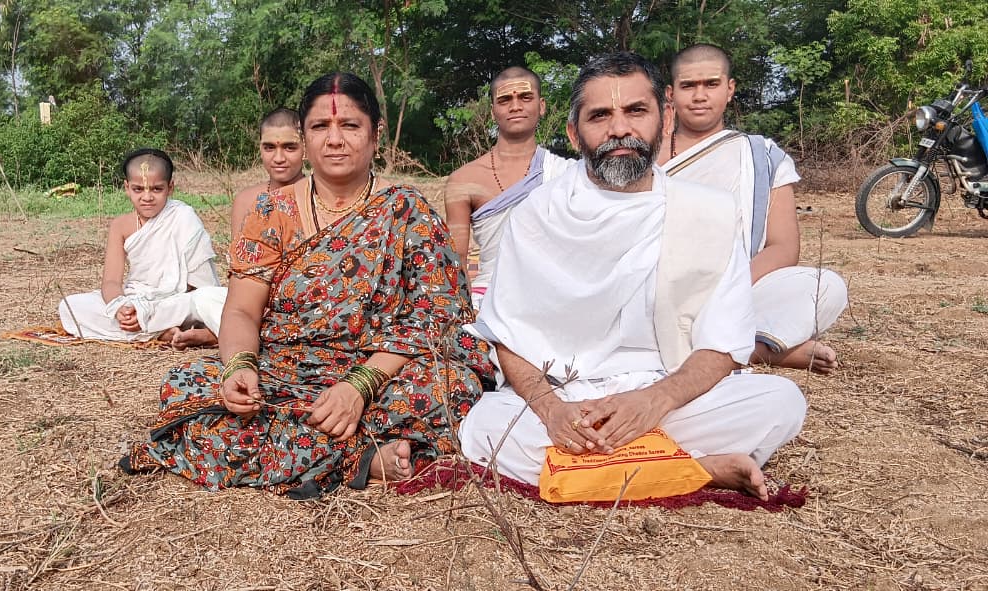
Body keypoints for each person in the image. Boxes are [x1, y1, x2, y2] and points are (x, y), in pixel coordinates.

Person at [119, 72, 490, 499]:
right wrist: (240, 368)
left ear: (376, 135)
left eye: (350, 126)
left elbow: (438, 313)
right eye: (320, 127)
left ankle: (327, 448)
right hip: (287, 368)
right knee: (187, 381)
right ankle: (368, 456)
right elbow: (241, 311)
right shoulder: (271, 211)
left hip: (384, 367)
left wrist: (359, 386)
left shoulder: (409, 210)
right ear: (306, 136)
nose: (335, 139)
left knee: (452, 382)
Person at [459, 53, 806, 501]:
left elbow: (722, 346)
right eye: (600, 115)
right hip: (568, 400)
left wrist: (653, 401)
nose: (619, 129)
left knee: (780, 403)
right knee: (485, 429)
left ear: (664, 119)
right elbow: (508, 337)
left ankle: (607, 472)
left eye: (635, 111)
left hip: (666, 395)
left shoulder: (710, 212)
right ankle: (694, 470)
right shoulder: (536, 214)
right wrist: (552, 412)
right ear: (573, 132)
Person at [659, 44, 847, 374]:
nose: (700, 96)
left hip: (738, 289)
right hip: (662, 290)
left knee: (826, 287)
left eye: (711, 84)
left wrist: (728, 289)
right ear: (671, 94)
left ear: (729, 90)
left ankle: (746, 348)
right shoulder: (645, 154)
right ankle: (764, 351)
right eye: (689, 86)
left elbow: (784, 247)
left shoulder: (761, 156)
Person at [58, 148, 225, 348]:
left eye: (156, 189)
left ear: (170, 187)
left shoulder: (184, 217)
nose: (147, 197)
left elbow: (201, 285)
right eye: (138, 189)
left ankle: (169, 328)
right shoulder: (120, 226)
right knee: (70, 306)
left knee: (214, 298)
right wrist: (120, 306)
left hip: (176, 302)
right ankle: (163, 332)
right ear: (126, 187)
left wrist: (155, 309)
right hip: (136, 299)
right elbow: (111, 281)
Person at [444, 66, 573, 308]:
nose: (515, 106)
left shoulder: (567, 173)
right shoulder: (463, 181)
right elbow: (456, 261)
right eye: (505, 99)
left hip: (556, 295)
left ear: (541, 105)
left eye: (525, 97)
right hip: (489, 298)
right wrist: (463, 318)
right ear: (493, 111)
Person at [231, 108, 306, 240]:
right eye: (269, 147)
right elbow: (237, 258)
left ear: (305, 149)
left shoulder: (320, 199)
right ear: (260, 149)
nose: (278, 158)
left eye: (289, 147)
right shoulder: (245, 201)